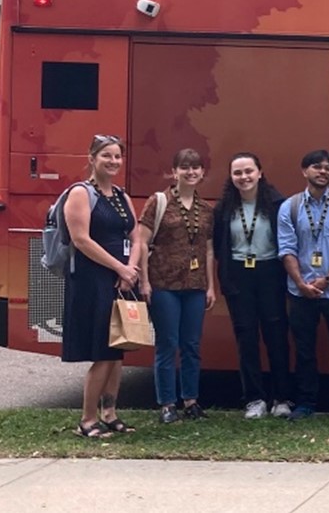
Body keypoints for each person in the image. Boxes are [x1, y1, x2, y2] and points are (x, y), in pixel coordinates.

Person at [61, 134, 141, 439]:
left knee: (118, 348)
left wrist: (130, 269)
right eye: (106, 155)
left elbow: (136, 237)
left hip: (122, 278)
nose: (113, 161)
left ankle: (110, 413)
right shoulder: (80, 194)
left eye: (117, 156)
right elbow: (81, 240)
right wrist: (118, 267)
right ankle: (87, 419)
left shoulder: (121, 196)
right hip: (92, 279)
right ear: (92, 158)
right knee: (103, 350)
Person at [277, 150, 329, 422]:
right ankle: (305, 403)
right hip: (300, 291)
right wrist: (301, 283)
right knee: (304, 349)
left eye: (328, 168)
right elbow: (286, 248)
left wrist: (327, 280)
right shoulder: (289, 207)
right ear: (304, 171)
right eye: (317, 167)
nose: (323, 172)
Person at [138, 148, 217, 425]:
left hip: (195, 286)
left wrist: (210, 286)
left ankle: (191, 401)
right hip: (163, 284)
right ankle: (167, 404)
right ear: (174, 172)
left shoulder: (206, 209)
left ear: (202, 173)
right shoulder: (158, 202)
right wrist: (144, 281)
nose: (191, 172)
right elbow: (142, 242)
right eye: (185, 167)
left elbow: (209, 251)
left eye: (196, 168)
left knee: (192, 345)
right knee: (167, 344)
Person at [212, 152, 292, 420]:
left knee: (276, 336)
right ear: (231, 177)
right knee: (246, 337)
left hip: (270, 273)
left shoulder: (277, 205)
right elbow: (217, 246)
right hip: (238, 275)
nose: (244, 177)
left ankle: (281, 398)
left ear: (260, 172)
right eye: (238, 173)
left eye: (248, 171)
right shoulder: (224, 208)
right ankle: (254, 399)